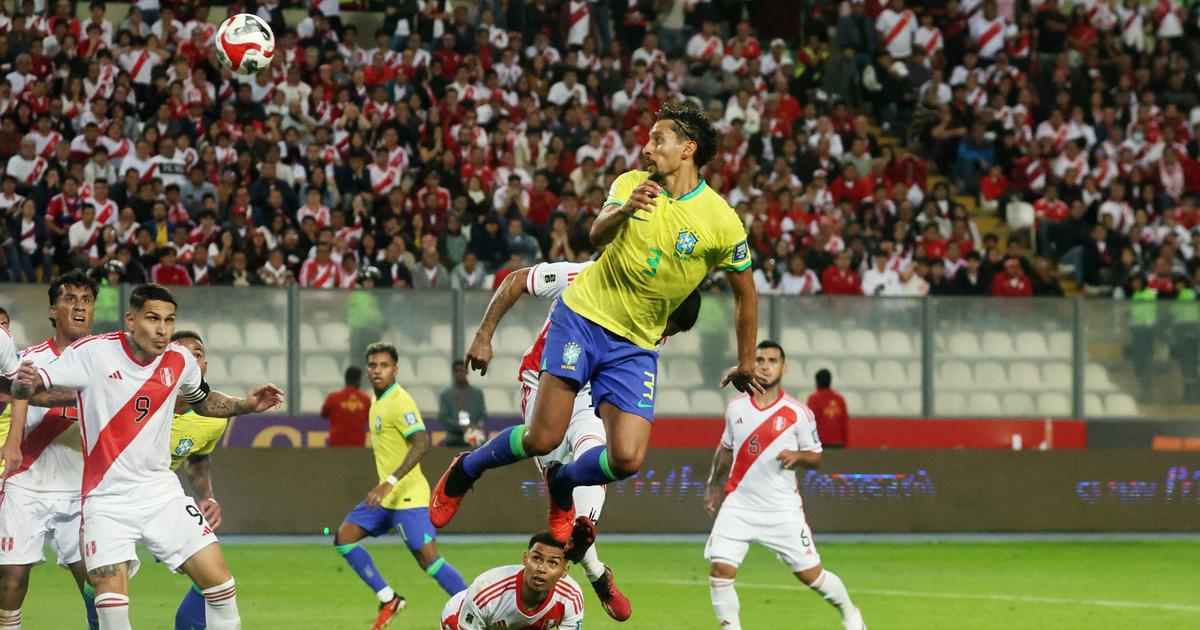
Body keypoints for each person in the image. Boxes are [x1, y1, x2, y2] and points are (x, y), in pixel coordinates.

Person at [432, 101, 763, 542]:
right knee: (542, 438)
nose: (646, 149)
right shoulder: (631, 184)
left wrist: (745, 360)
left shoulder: (721, 220)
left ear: (688, 148)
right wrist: (625, 208)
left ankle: (563, 483)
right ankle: (465, 469)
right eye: (647, 140)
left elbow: (746, 292)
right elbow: (596, 235)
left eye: (657, 140)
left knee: (627, 459)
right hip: (583, 319)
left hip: (636, 344)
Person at [6, 283, 285, 630]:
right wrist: (23, 381)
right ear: (131, 320)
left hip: (160, 493)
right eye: (153, 318)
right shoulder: (92, 353)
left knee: (222, 588)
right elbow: (31, 388)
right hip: (105, 501)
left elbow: (203, 400)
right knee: (112, 607)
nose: (162, 329)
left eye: (169, 320)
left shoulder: (180, 359)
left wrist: (245, 405)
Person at [462, 258, 703, 621]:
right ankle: (596, 573)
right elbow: (515, 281)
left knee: (597, 461)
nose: (662, 330)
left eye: (670, 328)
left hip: (593, 394)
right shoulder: (589, 275)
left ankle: (584, 545)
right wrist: (483, 335)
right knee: (554, 473)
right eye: (666, 320)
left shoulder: (653, 325)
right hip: (544, 384)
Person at [704, 341, 866, 630]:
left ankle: (850, 612)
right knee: (720, 571)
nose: (765, 365)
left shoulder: (798, 413)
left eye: (773, 360)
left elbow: (816, 457)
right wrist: (713, 484)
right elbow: (725, 448)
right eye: (760, 360)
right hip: (739, 503)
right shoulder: (736, 407)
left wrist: (798, 455)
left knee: (812, 576)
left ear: (784, 367)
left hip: (781, 510)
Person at [333, 342, 468, 630]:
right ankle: (389, 599)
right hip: (386, 498)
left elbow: (421, 443)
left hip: (408, 497)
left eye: (383, 365)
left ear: (395, 369)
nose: (377, 371)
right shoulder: (377, 401)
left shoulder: (400, 401)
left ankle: (476, 609)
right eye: (372, 365)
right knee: (344, 537)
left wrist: (390, 482)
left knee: (429, 560)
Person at [0, 271, 99, 629]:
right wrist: (12, 444)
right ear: (53, 311)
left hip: (80, 489)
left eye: (86, 301)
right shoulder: (28, 358)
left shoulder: (104, 360)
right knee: (12, 579)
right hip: (27, 482)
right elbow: (21, 393)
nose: (79, 307)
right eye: (69, 299)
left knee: (97, 582)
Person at [167, 331, 233, 630]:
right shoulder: (137, 397)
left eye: (197, 354)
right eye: (181, 352)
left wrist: (208, 494)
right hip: (112, 490)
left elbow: (197, 457)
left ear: (204, 365)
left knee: (216, 581)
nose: (190, 359)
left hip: (162, 495)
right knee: (101, 577)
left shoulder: (214, 418)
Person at [440, 530, 589, 630]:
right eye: (536, 558)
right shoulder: (486, 592)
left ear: (564, 570)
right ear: (525, 558)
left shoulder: (570, 597)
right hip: (461, 618)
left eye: (553, 563)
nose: (542, 569)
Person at [437, 360, 487, 447]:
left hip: (474, 438)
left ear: (467, 372)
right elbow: (443, 418)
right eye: (457, 370)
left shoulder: (477, 393)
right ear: (453, 373)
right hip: (454, 439)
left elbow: (482, 414)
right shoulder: (446, 395)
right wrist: (461, 427)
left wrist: (478, 426)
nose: (460, 373)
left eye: (462, 370)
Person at [321, 366, 372, 447]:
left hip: (336, 447)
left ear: (345, 380)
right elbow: (370, 418)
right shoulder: (365, 399)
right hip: (358, 446)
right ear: (359, 380)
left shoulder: (333, 397)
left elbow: (323, 414)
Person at [806, 368, 849, 448]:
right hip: (838, 443)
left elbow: (809, 423)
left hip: (820, 443)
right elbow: (844, 424)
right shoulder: (839, 399)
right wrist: (845, 444)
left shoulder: (813, 399)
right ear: (830, 381)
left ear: (817, 382)